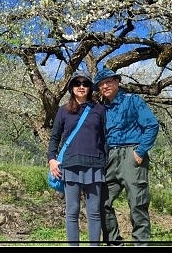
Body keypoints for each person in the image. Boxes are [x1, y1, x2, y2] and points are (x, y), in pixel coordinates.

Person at [93, 68, 160, 246]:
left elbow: (152, 125)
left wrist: (140, 151)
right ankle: (114, 243)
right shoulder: (102, 109)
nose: (104, 86)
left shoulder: (133, 101)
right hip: (110, 157)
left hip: (132, 154)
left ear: (117, 82)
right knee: (101, 201)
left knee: (137, 203)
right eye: (101, 84)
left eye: (108, 82)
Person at [47, 70, 107, 246]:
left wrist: (105, 162)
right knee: (72, 211)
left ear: (90, 88)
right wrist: (51, 159)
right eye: (77, 83)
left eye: (85, 83)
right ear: (71, 87)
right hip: (70, 165)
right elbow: (54, 137)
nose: (81, 86)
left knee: (94, 212)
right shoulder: (63, 111)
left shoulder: (100, 110)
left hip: (95, 166)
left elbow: (105, 139)